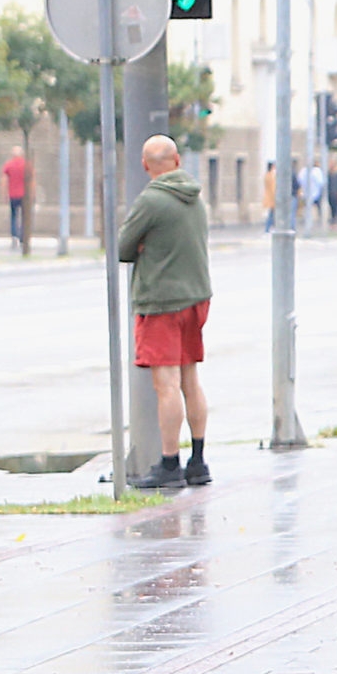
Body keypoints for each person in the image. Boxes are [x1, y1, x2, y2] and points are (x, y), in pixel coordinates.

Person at [116, 135, 213, 490]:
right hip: (197, 298)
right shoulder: (196, 197)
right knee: (191, 380)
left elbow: (123, 248)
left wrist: (144, 245)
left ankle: (169, 463)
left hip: (161, 302)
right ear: (177, 160)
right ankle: (198, 460)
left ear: (146, 166)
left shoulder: (152, 201)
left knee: (167, 384)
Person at [2, 146, 30, 253]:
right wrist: (32, 194)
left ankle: (14, 237)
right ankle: (23, 238)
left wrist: (4, 194)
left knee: (13, 216)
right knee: (24, 217)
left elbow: (4, 180)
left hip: (13, 195)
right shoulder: (26, 165)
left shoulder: (8, 165)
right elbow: (31, 180)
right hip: (24, 196)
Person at [262, 160, 277, 233]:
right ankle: (268, 228)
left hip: (269, 197)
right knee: (272, 214)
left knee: (272, 214)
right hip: (272, 198)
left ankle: (268, 228)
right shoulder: (272, 175)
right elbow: (273, 187)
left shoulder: (267, 175)